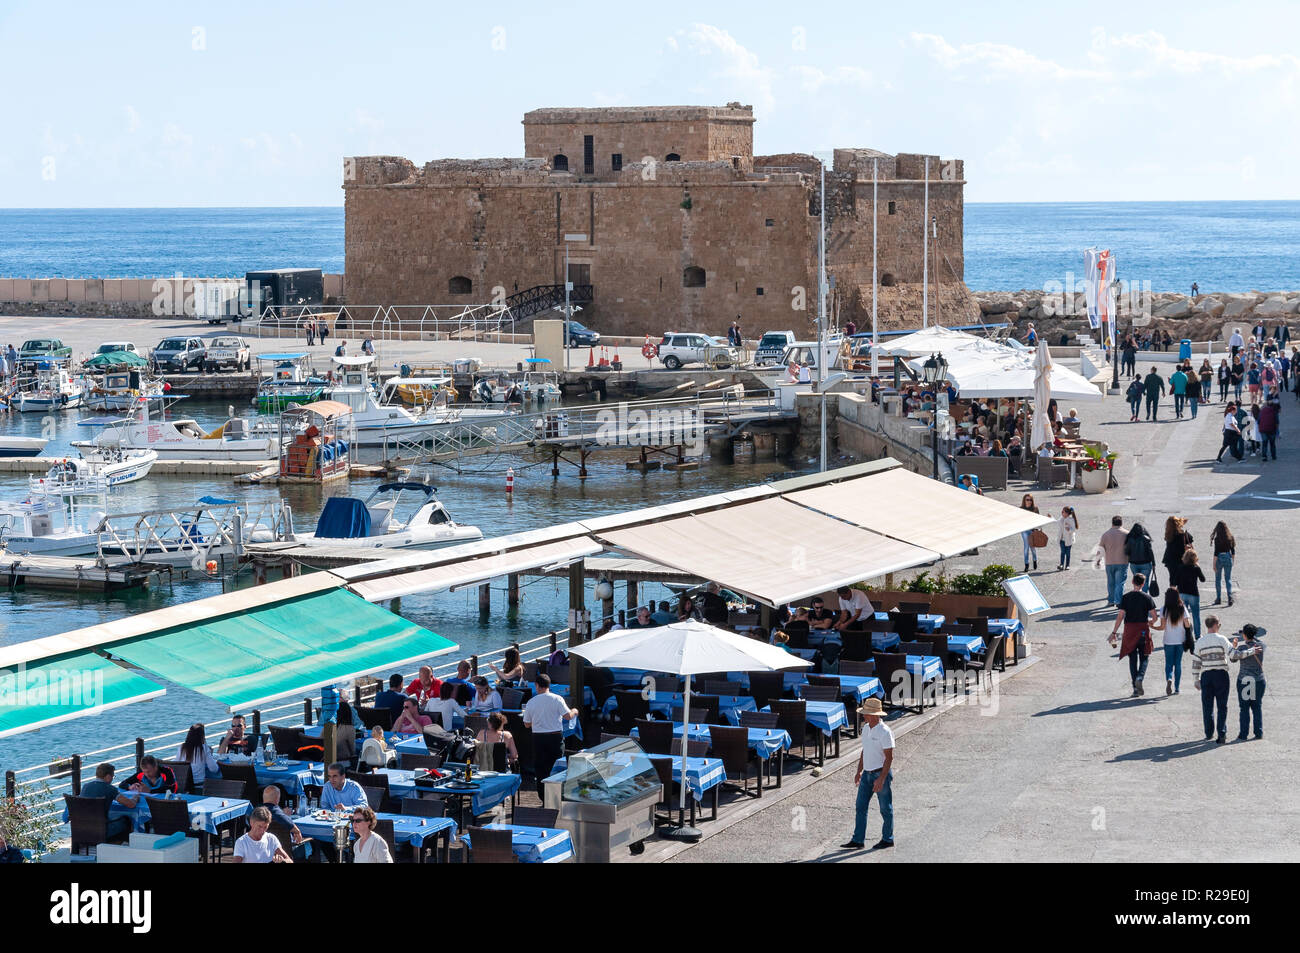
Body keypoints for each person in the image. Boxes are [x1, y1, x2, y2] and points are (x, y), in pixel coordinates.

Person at [840, 697, 894, 851]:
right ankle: (858, 840)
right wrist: (859, 771)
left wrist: (882, 779)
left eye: (867, 713)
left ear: (876, 715)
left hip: (879, 774)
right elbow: (865, 751)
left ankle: (888, 839)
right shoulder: (865, 728)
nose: (864, 715)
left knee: (885, 808)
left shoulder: (885, 732)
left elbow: (889, 758)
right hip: (866, 775)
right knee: (860, 807)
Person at [522, 674, 579, 795]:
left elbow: (526, 724)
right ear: (549, 685)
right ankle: (557, 796)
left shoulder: (531, 702)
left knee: (541, 769)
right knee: (557, 768)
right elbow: (568, 716)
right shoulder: (557, 698)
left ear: (537, 686)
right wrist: (575, 711)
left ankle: (543, 796)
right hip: (555, 738)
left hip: (538, 738)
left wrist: (538, 720)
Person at [1109, 573, 1157, 696]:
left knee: (1132, 658)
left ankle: (1135, 688)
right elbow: (1154, 616)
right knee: (1144, 656)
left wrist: (1114, 632)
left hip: (1129, 629)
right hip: (1142, 629)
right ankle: (1140, 678)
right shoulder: (1147, 598)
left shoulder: (1126, 597)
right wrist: (1151, 622)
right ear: (1143, 584)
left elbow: (1120, 616)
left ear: (1132, 582)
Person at [1192, 615, 1233, 744]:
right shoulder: (1222, 639)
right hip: (1221, 675)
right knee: (1222, 706)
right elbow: (1232, 654)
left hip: (1206, 675)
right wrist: (1235, 647)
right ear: (1215, 625)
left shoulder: (1200, 641)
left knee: (1207, 706)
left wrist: (1196, 679)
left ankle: (1208, 733)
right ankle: (1221, 733)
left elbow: (1196, 662)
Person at [80, 763, 139, 841]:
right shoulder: (110, 789)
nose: (112, 779)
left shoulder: (85, 786)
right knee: (127, 821)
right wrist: (136, 796)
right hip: (103, 830)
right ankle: (120, 847)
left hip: (84, 828)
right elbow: (131, 805)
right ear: (108, 777)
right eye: (112, 776)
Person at [1150, 587, 1192, 696]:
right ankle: (1177, 688)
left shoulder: (1164, 609)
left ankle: (1169, 678)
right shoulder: (1182, 608)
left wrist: (1153, 627)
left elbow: (1162, 627)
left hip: (1168, 640)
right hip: (1180, 640)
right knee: (1178, 663)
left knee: (1169, 663)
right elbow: (1187, 624)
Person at [1229, 622, 1266, 741]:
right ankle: (1258, 732)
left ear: (1244, 635)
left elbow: (1233, 659)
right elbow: (1256, 641)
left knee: (1244, 708)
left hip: (1245, 681)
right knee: (1257, 707)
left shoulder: (1242, 648)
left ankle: (1244, 733)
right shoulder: (1261, 646)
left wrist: (1234, 646)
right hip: (1258, 680)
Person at [261, 786, 309, 861]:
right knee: (311, 843)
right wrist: (297, 831)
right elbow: (287, 822)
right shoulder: (276, 812)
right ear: (277, 798)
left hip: (263, 853)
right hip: (284, 853)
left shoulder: (257, 812)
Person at [176, 723, 219, 793]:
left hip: (184, 787)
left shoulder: (182, 747)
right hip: (199, 787)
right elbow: (214, 769)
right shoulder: (204, 748)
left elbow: (177, 764)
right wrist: (209, 754)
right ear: (202, 736)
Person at [1176, 548, 1206, 638]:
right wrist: (1198, 567)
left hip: (1182, 593)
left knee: (1182, 615)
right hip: (1193, 593)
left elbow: (1175, 581)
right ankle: (1197, 635)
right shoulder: (1196, 568)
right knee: (1196, 616)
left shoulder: (1180, 567)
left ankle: (1183, 633)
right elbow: (1203, 579)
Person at [1123, 521, 1155, 595]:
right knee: (1145, 581)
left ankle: (1137, 596)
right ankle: (1144, 596)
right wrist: (1153, 564)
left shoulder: (1130, 539)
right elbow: (1151, 552)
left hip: (1134, 563)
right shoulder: (1146, 539)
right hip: (1146, 563)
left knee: (1137, 581)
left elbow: (1127, 551)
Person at [1161, 516, 1193, 590]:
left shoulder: (1168, 534)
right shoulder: (1183, 534)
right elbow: (1190, 543)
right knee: (1181, 579)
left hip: (1170, 560)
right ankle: (1179, 596)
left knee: (1172, 578)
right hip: (1181, 559)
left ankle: (1172, 596)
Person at [1211, 521, 1235, 606]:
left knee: (1218, 579)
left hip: (1219, 558)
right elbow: (1233, 551)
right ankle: (1230, 597)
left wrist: (1214, 564)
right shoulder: (1230, 537)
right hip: (1228, 557)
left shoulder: (1217, 539)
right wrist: (1232, 561)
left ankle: (1218, 598)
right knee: (1228, 578)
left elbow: (1216, 553)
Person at [1018, 494, 1041, 573]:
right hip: (1024, 530)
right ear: (1024, 500)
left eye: (1030, 500)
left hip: (1032, 530)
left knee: (1033, 547)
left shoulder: (1035, 508)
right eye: (1027, 500)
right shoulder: (1021, 509)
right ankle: (1026, 564)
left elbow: (1038, 519)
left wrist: (1037, 529)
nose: (1029, 501)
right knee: (1026, 547)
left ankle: (1035, 560)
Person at [1258, 397, 1280, 462]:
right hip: (1272, 429)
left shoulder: (1262, 411)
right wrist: (1277, 430)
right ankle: (1273, 456)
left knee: (1264, 443)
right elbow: (1277, 422)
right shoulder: (1274, 412)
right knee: (1272, 443)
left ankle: (1264, 456)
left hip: (1263, 429)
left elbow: (1258, 421)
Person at [1057, 506, 1078, 570]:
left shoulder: (1071, 520)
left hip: (1068, 540)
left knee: (1068, 553)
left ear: (1067, 513)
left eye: (1063, 512)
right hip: (1062, 539)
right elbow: (1057, 522)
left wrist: (1069, 529)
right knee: (1062, 552)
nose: (1062, 513)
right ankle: (1061, 564)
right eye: (1062, 511)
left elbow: (1073, 529)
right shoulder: (1061, 519)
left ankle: (1067, 565)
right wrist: (1051, 518)